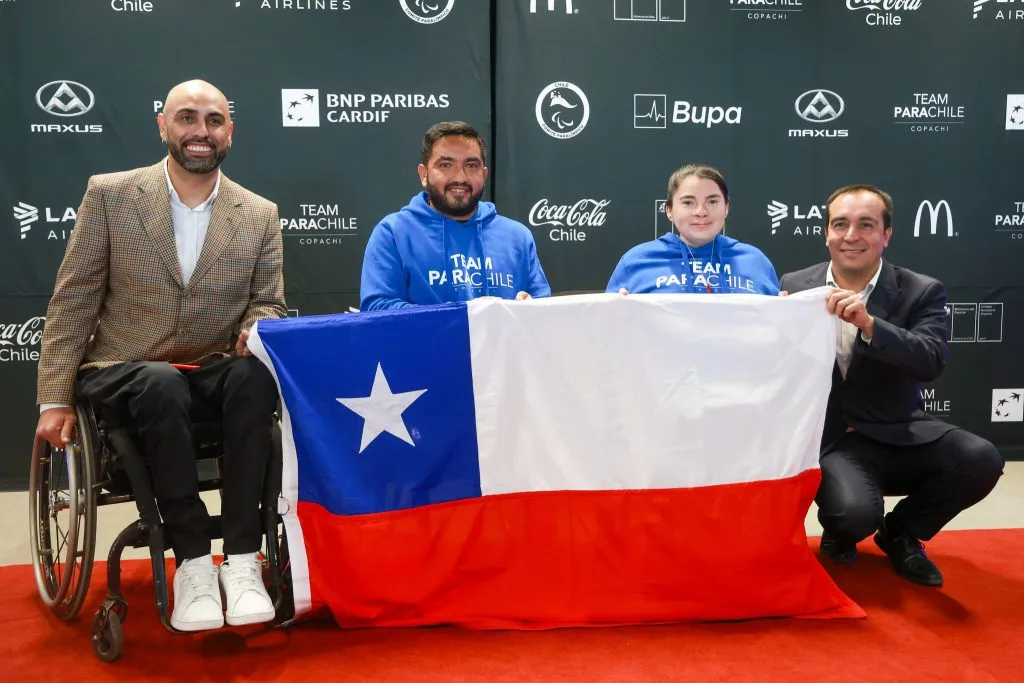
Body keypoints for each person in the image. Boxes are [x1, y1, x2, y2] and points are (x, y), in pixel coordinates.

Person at [35, 80, 286, 631]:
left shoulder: (259, 214)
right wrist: (53, 398)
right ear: (163, 126)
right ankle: (194, 562)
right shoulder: (111, 194)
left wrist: (255, 329)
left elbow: (268, 302)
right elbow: (75, 297)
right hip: (123, 371)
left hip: (210, 368)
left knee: (254, 378)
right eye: (188, 118)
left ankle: (242, 560)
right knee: (158, 382)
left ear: (230, 132)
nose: (201, 131)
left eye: (214, 120)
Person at [779, 184, 1003, 586]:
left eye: (866, 225)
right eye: (840, 224)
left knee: (981, 459)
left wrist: (871, 326)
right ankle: (843, 527)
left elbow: (930, 359)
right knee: (852, 516)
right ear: (826, 233)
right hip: (834, 441)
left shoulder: (921, 290)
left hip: (899, 430)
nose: (851, 236)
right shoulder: (794, 286)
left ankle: (902, 532)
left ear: (886, 235)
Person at [360, 121, 551, 310]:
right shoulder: (393, 233)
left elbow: (544, 308)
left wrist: (530, 308)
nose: (460, 177)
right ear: (424, 174)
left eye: (471, 165)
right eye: (445, 165)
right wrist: (465, 314)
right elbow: (378, 309)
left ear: (484, 174)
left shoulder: (517, 236)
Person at [607, 164, 779, 295]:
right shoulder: (636, 262)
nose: (701, 212)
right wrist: (616, 314)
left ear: (726, 208)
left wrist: (785, 316)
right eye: (688, 203)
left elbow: (775, 332)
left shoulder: (755, 261)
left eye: (712, 202)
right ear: (669, 210)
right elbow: (607, 331)